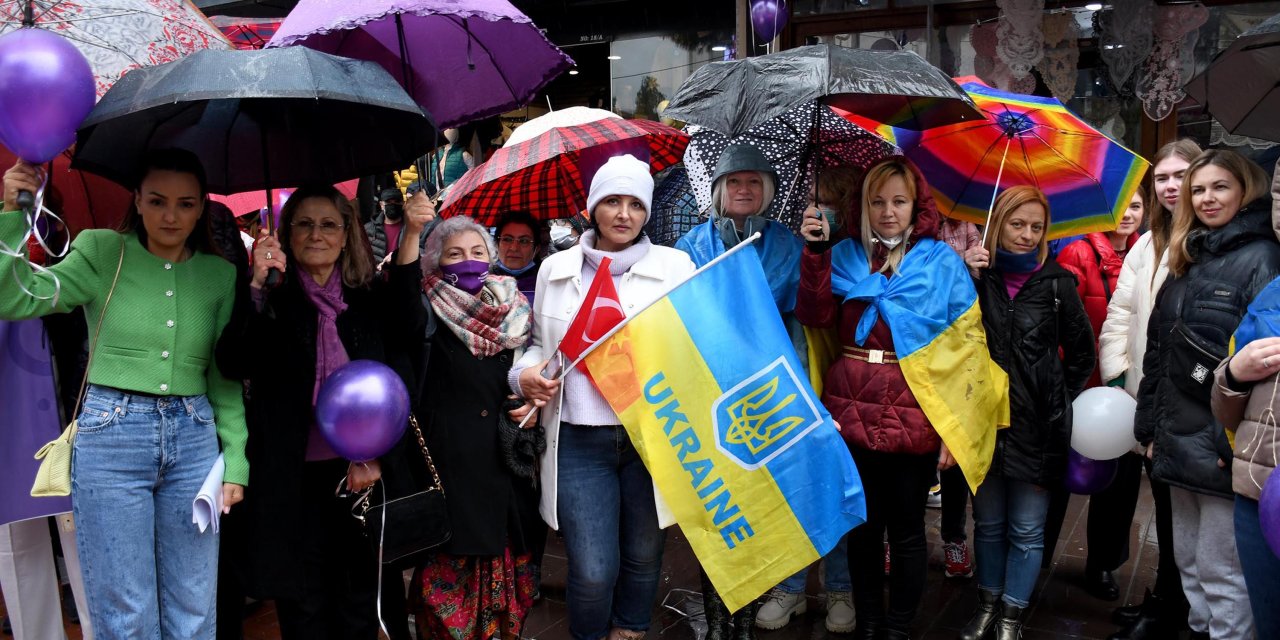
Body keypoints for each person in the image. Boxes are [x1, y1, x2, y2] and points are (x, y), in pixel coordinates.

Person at [0, 150, 246, 639]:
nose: (170, 216)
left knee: (195, 609)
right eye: (157, 201)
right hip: (112, 436)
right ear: (136, 201)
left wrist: (236, 462)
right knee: (124, 611)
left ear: (202, 209)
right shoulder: (101, 250)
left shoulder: (220, 276)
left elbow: (223, 378)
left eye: (185, 204)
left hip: (195, 440)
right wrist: (14, 211)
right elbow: (14, 297)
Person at [797, 157, 1001, 640]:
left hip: (917, 412)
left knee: (908, 531)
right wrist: (814, 253)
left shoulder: (940, 263)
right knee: (864, 530)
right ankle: (869, 626)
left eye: (899, 201)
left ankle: (900, 630)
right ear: (863, 205)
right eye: (878, 201)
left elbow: (968, 345)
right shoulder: (842, 255)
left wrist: (959, 426)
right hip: (849, 409)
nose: (888, 211)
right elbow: (815, 316)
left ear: (916, 206)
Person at [214, 184, 425, 639]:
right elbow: (233, 361)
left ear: (347, 234)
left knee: (359, 604)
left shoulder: (366, 299)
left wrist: (411, 234)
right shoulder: (272, 299)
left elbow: (409, 332)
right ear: (286, 234)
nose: (316, 234)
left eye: (328, 224)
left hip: (361, 476)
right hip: (291, 481)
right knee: (303, 609)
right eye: (303, 224)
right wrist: (255, 285)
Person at [511, 154, 696, 640]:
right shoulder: (555, 269)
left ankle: (631, 630)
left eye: (635, 203)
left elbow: (697, 347)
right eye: (612, 200)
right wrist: (525, 375)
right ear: (593, 207)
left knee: (643, 554)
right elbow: (533, 345)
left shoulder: (676, 267)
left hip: (651, 437)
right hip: (576, 440)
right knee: (593, 569)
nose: (623, 214)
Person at [676, 144, 839, 636]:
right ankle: (718, 610)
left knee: (761, 503)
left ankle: (747, 615)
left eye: (753, 183)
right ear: (720, 190)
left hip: (765, 394)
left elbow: (802, 314)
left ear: (766, 191)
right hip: (709, 393)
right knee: (717, 507)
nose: (743, 190)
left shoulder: (788, 244)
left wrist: (814, 252)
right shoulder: (692, 245)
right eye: (734, 182)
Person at [1136, 149, 1280, 640]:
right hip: (1177, 444)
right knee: (1191, 570)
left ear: (1246, 190)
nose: (1206, 198)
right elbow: (1159, 351)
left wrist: (1229, 445)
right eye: (1198, 190)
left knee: (1225, 580)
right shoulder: (1187, 257)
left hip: (1222, 452)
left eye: (1219, 187)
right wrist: (1150, 430)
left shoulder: (1261, 257)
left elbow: (1262, 366)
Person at [959, 185, 1095, 640]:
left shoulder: (1057, 284)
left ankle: (1012, 619)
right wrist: (968, 279)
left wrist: (1056, 398)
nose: (1026, 235)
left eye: (1036, 227)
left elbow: (1081, 353)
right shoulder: (980, 276)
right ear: (999, 224)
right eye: (1018, 224)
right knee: (989, 524)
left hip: (1038, 427)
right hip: (985, 422)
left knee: (1027, 529)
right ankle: (987, 605)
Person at [400, 215, 540, 640]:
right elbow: (401, 307)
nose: (469, 262)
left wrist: (528, 390)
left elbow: (524, 366)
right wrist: (409, 231)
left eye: (478, 252)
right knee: (448, 574)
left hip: (499, 464)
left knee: (500, 573)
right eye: (455, 254)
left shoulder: (511, 308)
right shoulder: (425, 306)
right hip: (446, 466)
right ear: (434, 262)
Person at [1097, 138, 1201, 640]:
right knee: (1162, 502)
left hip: (1190, 401)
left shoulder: (1206, 241)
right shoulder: (1147, 242)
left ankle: (1177, 608)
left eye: (1181, 176)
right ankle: (1165, 598)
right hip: (1145, 392)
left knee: (1182, 509)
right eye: (1161, 177)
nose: (1170, 186)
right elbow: (1121, 315)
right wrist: (1117, 376)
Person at [1045, 188, 1146, 601]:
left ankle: (1102, 564)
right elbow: (1061, 326)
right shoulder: (1077, 253)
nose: (1128, 214)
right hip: (1080, 386)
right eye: (1121, 206)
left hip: (1127, 391)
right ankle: (1038, 556)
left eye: (1136, 206)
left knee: (1121, 484)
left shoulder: (1149, 255)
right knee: (1056, 478)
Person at [1210, 165, 1280, 639]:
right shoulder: (1273, 293)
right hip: (1258, 494)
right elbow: (1228, 403)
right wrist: (1233, 374)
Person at [934, 213, 983, 581]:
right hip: (921, 347)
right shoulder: (917, 225)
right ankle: (890, 539)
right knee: (916, 455)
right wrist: (956, 262)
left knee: (954, 454)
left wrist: (977, 264)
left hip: (961, 348)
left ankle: (954, 537)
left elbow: (978, 285)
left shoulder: (968, 225)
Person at [492, 210, 545, 305]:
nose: (514, 248)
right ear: (496, 245)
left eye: (524, 241)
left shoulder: (546, 283)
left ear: (537, 249)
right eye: (507, 239)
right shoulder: (482, 282)